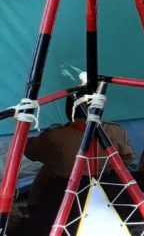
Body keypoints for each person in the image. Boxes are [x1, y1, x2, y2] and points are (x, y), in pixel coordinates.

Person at [22, 92, 136, 235]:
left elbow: (30, 152)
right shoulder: (116, 131)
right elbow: (127, 158)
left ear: (69, 110)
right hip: (109, 188)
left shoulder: (54, 136)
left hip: (67, 191)